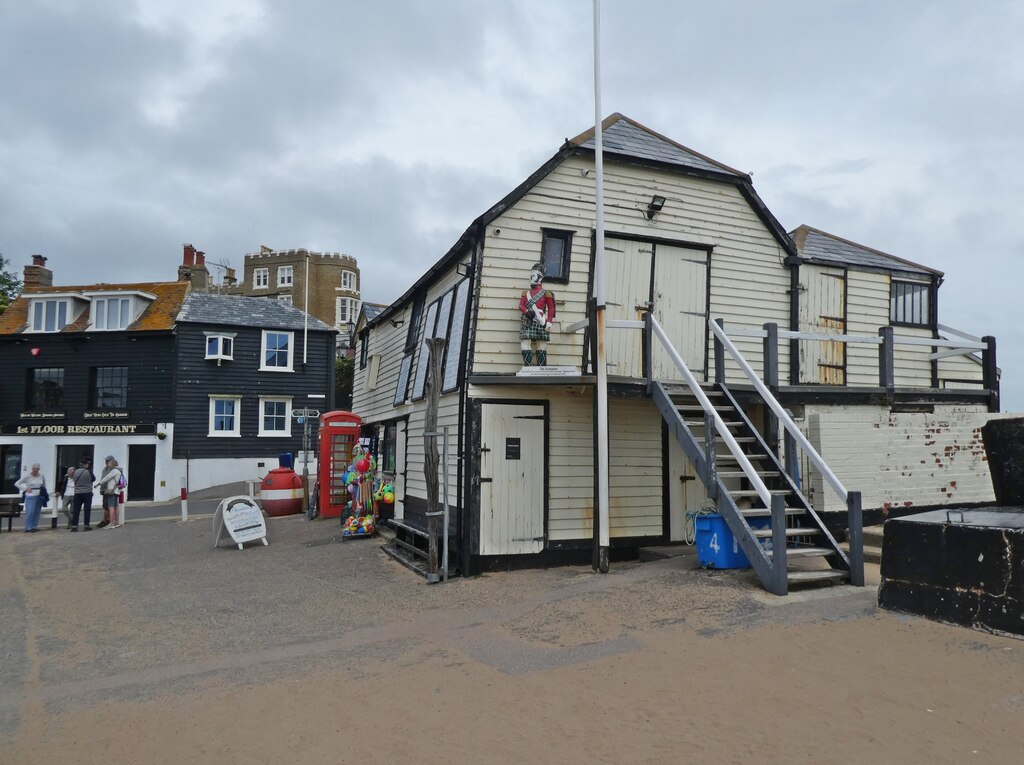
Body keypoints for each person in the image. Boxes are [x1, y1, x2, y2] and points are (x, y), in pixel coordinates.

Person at [519, 261, 556, 366]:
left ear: (540, 277)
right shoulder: (525, 293)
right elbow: (521, 305)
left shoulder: (546, 293)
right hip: (527, 320)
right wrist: (527, 311)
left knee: (542, 344)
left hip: (541, 319)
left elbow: (551, 309)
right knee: (525, 343)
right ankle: (528, 367)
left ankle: (540, 368)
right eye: (531, 275)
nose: (531, 277)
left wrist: (549, 321)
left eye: (533, 275)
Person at [15, 463, 46, 534]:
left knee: (37, 512)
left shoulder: (41, 476)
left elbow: (43, 485)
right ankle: (28, 527)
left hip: (39, 495)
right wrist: (25, 488)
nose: (35, 470)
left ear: (39, 469)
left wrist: (44, 493)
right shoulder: (27, 476)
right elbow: (17, 483)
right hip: (30, 495)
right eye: (34, 469)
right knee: (30, 512)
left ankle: (34, 527)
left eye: (37, 469)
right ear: (32, 469)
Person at [95, 456, 124, 529]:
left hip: (111, 491)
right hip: (117, 491)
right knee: (116, 506)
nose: (107, 463)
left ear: (112, 463)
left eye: (108, 462)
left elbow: (106, 478)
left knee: (111, 507)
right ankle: (116, 522)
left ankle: (111, 523)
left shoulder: (114, 471)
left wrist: (98, 484)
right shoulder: (120, 470)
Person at [70, 457, 95, 531]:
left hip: (77, 493)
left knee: (76, 510)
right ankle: (86, 525)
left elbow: (73, 479)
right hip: (87, 492)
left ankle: (74, 526)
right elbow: (93, 479)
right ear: (86, 464)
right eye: (87, 464)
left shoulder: (75, 472)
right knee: (87, 509)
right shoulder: (88, 472)